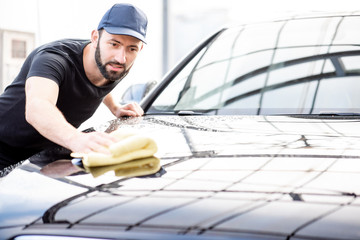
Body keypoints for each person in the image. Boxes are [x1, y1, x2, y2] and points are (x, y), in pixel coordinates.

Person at [0, 3, 148, 172]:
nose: (121, 57)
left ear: (139, 49)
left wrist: (115, 108)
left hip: (43, 157)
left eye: (132, 48)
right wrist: (75, 139)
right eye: (114, 44)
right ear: (95, 38)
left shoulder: (115, 65)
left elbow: (99, 82)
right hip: (4, 148)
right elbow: (37, 107)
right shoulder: (54, 58)